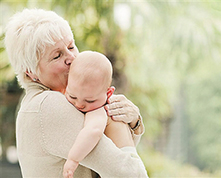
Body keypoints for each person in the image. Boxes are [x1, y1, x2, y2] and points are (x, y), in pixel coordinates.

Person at [4, 8, 147, 177]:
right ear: (31, 72)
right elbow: (127, 172)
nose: (71, 58)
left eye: (71, 46)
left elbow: (117, 157)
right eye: (57, 56)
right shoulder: (48, 106)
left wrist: (133, 121)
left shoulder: (55, 101)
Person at [63, 51, 148, 178]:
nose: (79, 104)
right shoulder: (95, 103)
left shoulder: (100, 110)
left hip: (127, 169)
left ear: (108, 94)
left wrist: (73, 159)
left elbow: (93, 131)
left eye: (89, 100)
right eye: (72, 96)